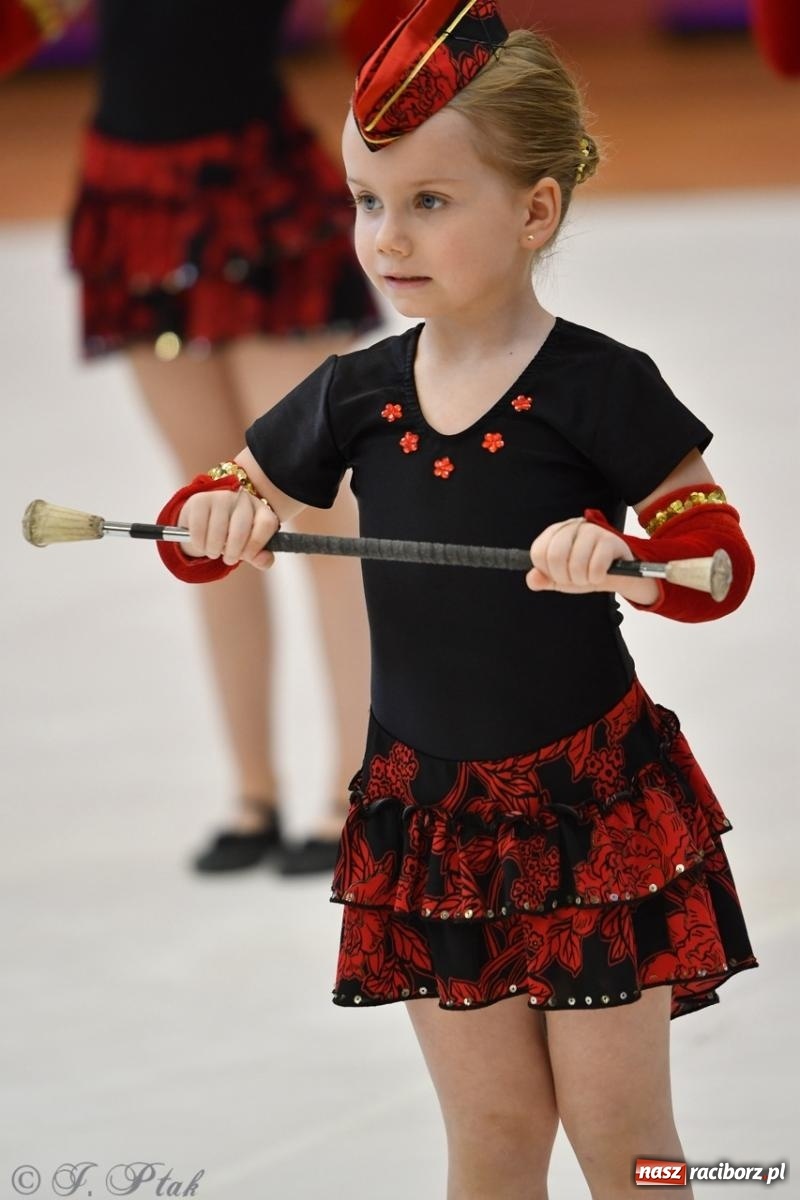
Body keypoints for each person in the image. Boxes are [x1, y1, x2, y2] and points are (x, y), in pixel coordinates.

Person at [155, 2, 758, 1195]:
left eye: (430, 201)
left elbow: (717, 561)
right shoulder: (354, 393)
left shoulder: (597, 386)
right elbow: (198, 519)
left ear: (534, 210)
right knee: (487, 1143)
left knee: (622, 1140)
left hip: (591, 820)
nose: (386, 237)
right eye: (368, 202)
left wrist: (620, 553)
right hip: (428, 827)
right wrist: (212, 521)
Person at [67, 0, 384, 875]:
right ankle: (253, 790)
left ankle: (355, 784)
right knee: (201, 511)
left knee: (315, 505)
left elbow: (392, 24)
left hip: (256, 195)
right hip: (134, 201)